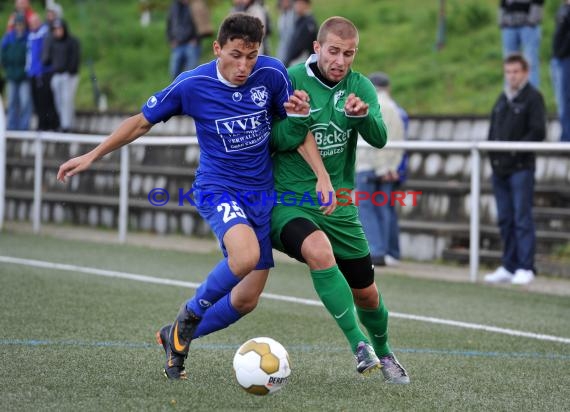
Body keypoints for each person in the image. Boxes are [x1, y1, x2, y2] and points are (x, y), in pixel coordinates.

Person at [57, 13, 316, 380]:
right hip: (217, 188)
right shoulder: (192, 84)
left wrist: (318, 169)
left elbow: (292, 127)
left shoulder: (273, 74)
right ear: (217, 48)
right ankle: (190, 314)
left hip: (261, 193)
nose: (244, 65)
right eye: (236, 54)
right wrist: (91, 155)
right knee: (245, 257)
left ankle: (173, 335)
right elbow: (141, 121)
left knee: (245, 300)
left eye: (252, 55)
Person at [243, 16, 408, 383]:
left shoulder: (359, 86)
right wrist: (299, 119)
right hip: (289, 201)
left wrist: (362, 118)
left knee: (367, 295)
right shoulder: (291, 79)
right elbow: (276, 140)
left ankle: (384, 351)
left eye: (348, 54)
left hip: (340, 205)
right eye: (333, 51)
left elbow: (380, 139)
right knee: (318, 250)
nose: (340, 60)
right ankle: (359, 345)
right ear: (317, 48)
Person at [484, 53, 546, 286]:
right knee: (505, 219)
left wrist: (513, 154)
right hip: (500, 170)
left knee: (522, 218)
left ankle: (525, 266)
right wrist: (495, 158)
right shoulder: (502, 99)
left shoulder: (533, 98)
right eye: (508, 72)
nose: (511, 76)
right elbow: (492, 132)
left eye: (515, 71)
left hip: (521, 168)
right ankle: (509, 265)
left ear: (526, 73)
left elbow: (538, 132)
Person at [355, 72, 405, 267]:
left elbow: (374, 137)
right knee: (386, 208)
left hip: (369, 165)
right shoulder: (395, 108)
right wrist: (391, 167)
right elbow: (399, 141)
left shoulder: (374, 105)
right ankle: (392, 251)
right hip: (388, 166)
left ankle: (377, 250)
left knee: (366, 208)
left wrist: (382, 167)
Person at [42, 18, 80, 132]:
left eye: (59, 29)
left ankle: (67, 125)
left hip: (68, 75)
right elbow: (46, 59)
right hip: (56, 75)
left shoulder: (72, 41)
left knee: (67, 100)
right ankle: (64, 123)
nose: (57, 31)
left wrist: (70, 71)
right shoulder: (52, 42)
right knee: (59, 101)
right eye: (55, 29)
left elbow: (74, 59)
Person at [499, 0, 544, 88]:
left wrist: (532, 20)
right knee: (509, 62)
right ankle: (509, 97)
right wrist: (502, 20)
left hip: (529, 25)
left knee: (531, 62)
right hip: (509, 25)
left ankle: (532, 96)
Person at [26, 13, 60, 131]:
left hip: (45, 72)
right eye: (31, 23)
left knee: (47, 99)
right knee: (37, 102)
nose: (33, 24)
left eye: (35, 22)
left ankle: (52, 124)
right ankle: (42, 124)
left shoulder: (45, 34)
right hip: (33, 74)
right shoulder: (30, 36)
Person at [1, 13, 32, 130]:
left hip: (24, 76)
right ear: (14, 25)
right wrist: (6, 68)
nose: (19, 26)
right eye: (17, 24)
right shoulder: (8, 38)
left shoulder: (29, 37)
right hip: (11, 75)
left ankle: (24, 127)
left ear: (25, 25)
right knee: (12, 102)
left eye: (21, 24)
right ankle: (11, 126)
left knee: (25, 102)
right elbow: (2, 55)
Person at [166, 0, 201, 79]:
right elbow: (169, 24)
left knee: (191, 74)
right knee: (174, 72)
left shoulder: (196, 5)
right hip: (177, 44)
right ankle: (177, 90)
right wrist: (170, 40)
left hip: (192, 44)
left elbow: (202, 23)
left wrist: (196, 39)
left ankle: (189, 91)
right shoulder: (174, 7)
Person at [552, 0, 570, 142]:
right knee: (561, 100)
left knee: (566, 100)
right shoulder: (563, 8)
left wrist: (562, 53)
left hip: (566, 59)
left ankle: (567, 138)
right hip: (558, 59)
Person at [283, 0, 317, 67]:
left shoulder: (309, 23)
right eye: (296, 3)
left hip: (302, 63)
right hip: (295, 61)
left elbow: (301, 46)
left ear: (307, 5)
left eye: (300, 3)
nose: (297, 6)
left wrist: (290, 58)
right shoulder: (300, 20)